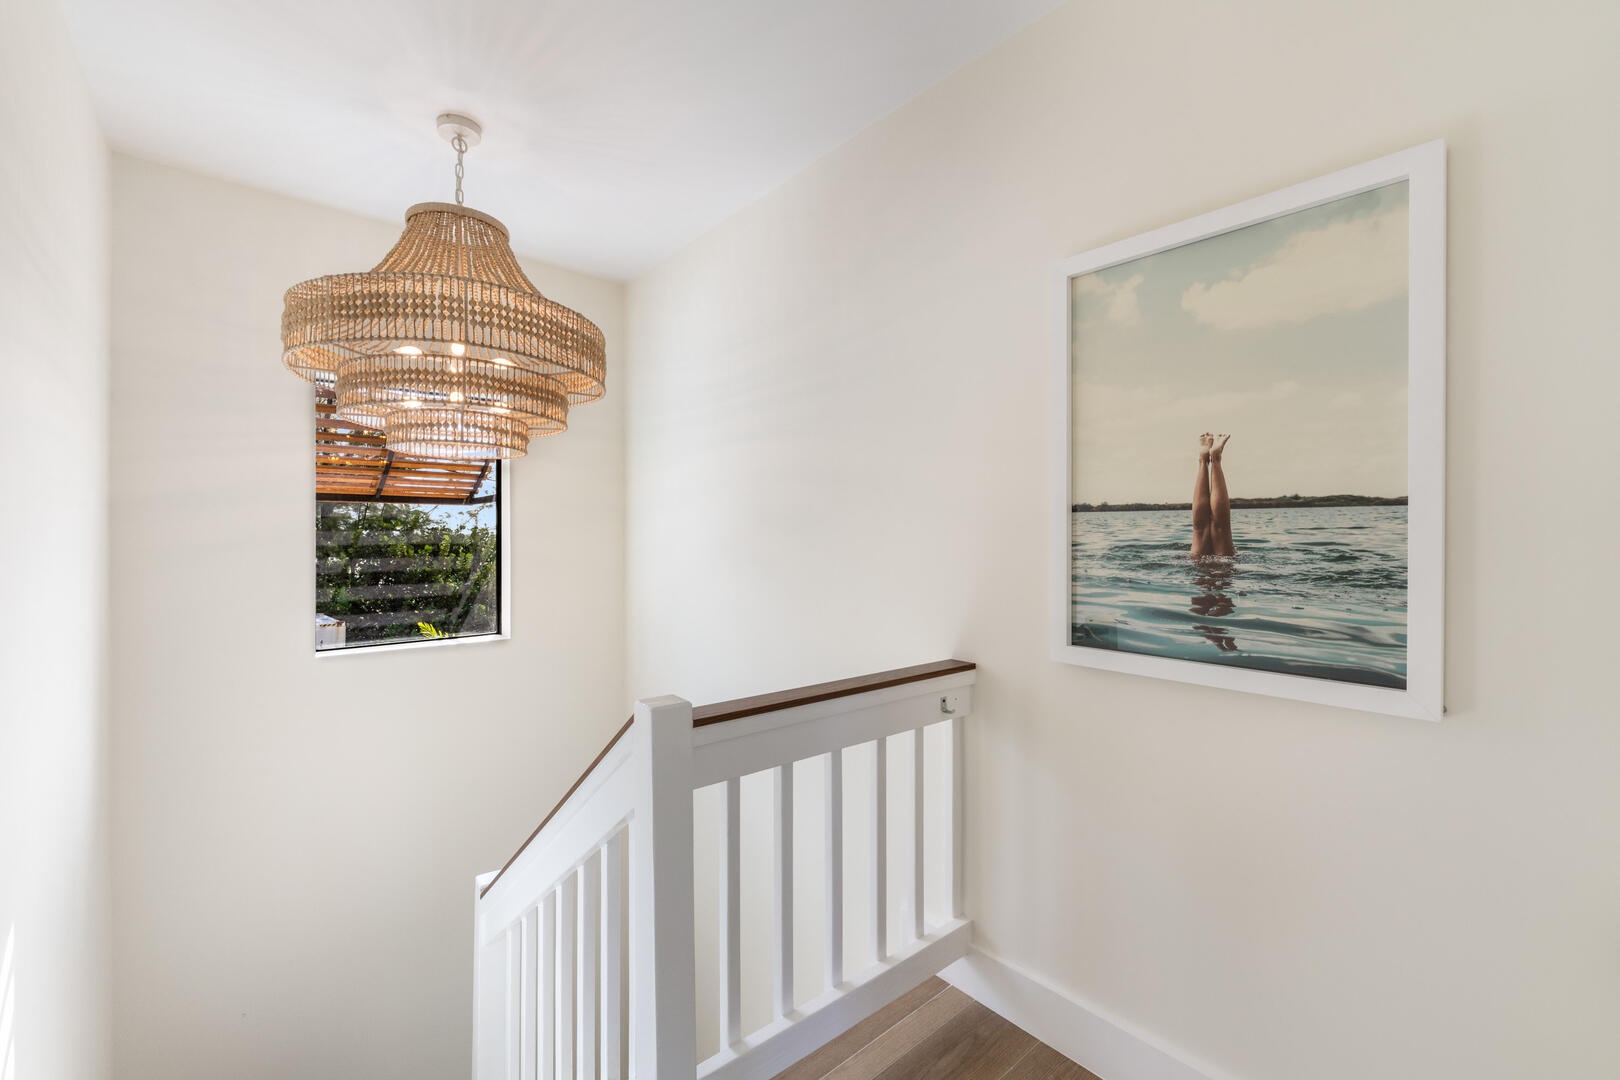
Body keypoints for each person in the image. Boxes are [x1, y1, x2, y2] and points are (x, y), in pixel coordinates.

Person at [1191, 432, 1234, 557]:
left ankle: (1204, 460)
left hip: (1199, 564)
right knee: (1219, 529)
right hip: (1222, 567)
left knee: (1201, 530)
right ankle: (1214, 458)